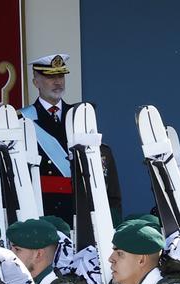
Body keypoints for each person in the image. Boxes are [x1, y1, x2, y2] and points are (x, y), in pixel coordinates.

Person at [20, 54, 123, 224]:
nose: (58, 81)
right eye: (50, 76)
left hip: (81, 210)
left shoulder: (80, 115)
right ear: (36, 82)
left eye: (60, 76)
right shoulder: (23, 120)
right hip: (43, 213)